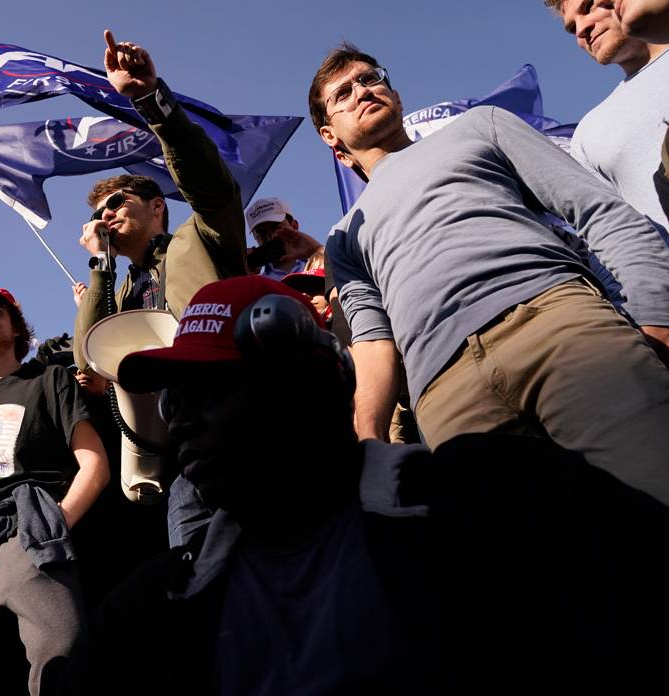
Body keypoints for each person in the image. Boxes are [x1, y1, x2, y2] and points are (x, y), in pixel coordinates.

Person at [59, 276, 669, 695]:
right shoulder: (155, 606)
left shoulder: (496, 498)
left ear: (305, 386)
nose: (178, 417)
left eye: (206, 391)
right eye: (171, 398)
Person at [309, 43, 669, 502]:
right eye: (343, 93)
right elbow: (374, 344)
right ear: (330, 138)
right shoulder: (342, 239)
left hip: (559, 327)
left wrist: (656, 312)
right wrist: (368, 444)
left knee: (653, 492)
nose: (362, 90)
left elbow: (597, 211)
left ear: (395, 95)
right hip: (445, 391)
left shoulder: (482, 127)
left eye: (370, 78)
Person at [0, 284, 109, 696]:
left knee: (60, 656)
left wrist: (56, 521)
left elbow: (95, 465)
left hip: (30, 533)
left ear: (16, 328)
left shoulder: (49, 380)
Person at [72, 30, 248, 369]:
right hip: (167, 418)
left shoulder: (200, 237)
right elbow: (87, 357)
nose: (104, 218)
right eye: (97, 216)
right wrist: (101, 264)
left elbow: (209, 182)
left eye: (115, 203)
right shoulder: (118, 292)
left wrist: (150, 99)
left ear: (157, 205)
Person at [545, 0, 669, 246]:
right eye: (572, 28)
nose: (581, 29)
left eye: (588, 7)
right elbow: (610, 235)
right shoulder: (588, 133)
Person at [244, 197, 324, 281]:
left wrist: (317, 250)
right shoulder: (256, 284)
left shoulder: (319, 265)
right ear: (255, 238)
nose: (271, 237)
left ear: (294, 226)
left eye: (276, 228)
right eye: (262, 234)